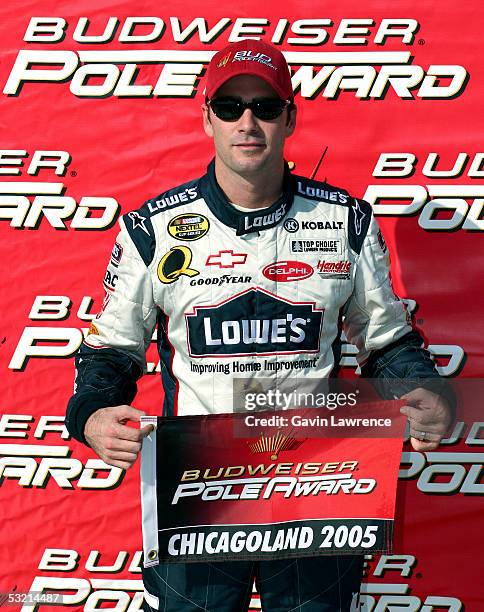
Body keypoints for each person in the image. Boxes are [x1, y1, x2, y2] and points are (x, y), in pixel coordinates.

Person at [66, 39, 453, 611]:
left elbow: (388, 342)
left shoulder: (345, 222)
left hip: (316, 484)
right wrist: (92, 414)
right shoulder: (153, 228)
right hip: (198, 488)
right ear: (207, 119)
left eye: (265, 107)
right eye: (230, 107)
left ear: (290, 117)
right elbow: (112, 352)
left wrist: (426, 391)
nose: (248, 122)